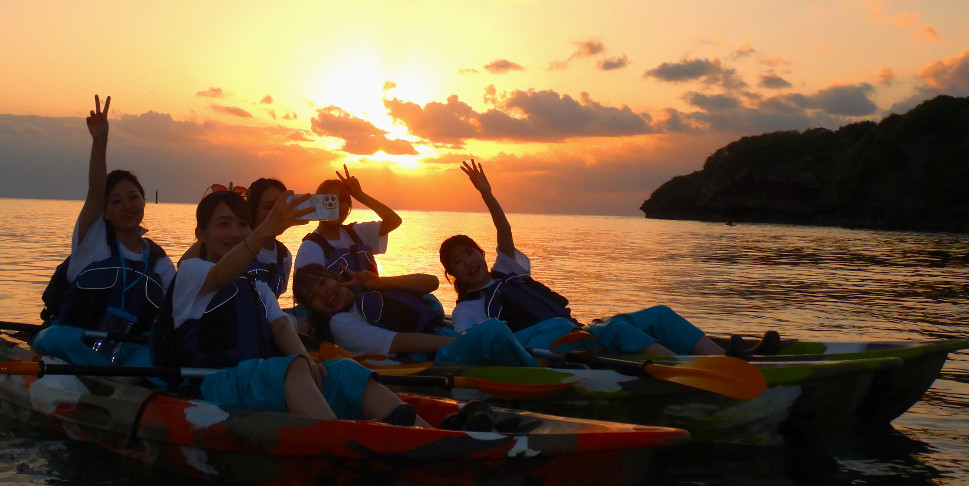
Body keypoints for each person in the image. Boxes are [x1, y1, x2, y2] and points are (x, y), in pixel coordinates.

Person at [157, 188, 429, 426]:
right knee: (292, 367)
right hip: (212, 383)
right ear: (201, 235)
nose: (235, 233)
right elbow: (221, 275)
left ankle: (425, 436)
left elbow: (280, 326)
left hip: (258, 382)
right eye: (223, 224)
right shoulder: (192, 271)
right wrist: (269, 228)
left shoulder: (256, 286)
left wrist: (310, 363)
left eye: (242, 224)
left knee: (344, 370)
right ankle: (338, 442)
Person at [442, 160, 729, 358]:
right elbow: (482, 346)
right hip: (552, 350)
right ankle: (679, 369)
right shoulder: (466, 311)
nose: (468, 262)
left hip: (578, 332)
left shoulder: (507, 270)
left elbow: (503, 229)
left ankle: (726, 360)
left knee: (659, 314)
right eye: (458, 261)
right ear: (452, 273)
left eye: (470, 252)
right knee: (616, 329)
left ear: (482, 253)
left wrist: (487, 194)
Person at [32, 95, 176, 369]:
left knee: (155, 351)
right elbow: (95, 193)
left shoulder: (158, 259)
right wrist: (100, 143)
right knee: (61, 337)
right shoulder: (94, 242)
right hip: (74, 345)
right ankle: (100, 377)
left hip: (125, 352)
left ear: (144, 201)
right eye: (116, 201)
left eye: (133, 197)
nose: (127, 206)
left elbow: (173, 311)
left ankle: (118, 384)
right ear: (105, 211)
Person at [291, 263, 537, 368]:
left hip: (448, 337)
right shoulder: (342, 323)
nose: (323, 294)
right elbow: (402, 342)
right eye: (313, 297)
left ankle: (543, 362)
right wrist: (463, 340)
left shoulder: (369, 293)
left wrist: (380, 282)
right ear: (315, 309)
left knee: (554, 326)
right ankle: (541, 376)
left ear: (336, 278)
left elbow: (430, 282)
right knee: (492, 331)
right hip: (435, 356)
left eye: (323, 283)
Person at [293, 165, 403, 275]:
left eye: (342, 200)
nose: (336, 206)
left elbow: (394, 221)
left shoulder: (357, 233)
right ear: (317, 204)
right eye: (329, 201)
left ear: (349, 206)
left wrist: (359, 194)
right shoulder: (310, 248)